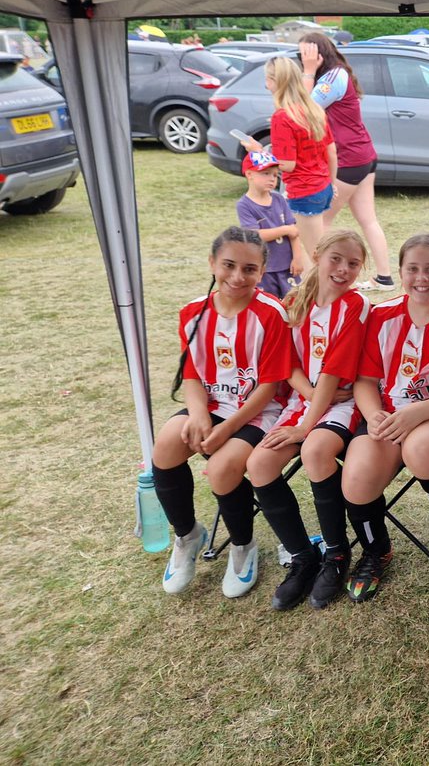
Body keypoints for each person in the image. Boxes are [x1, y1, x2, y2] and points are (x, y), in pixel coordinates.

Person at [151, 226, 292, 598]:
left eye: (249, 269)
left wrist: (227, 428)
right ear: (212, 263)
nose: (237, 276)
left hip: (257, 411)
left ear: (262, 272)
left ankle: (243, 546)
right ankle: (187, 536)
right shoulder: (193, 313)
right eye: (228, 265)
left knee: (223, 466)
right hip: (211, 405)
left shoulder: (271, 314)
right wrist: (198, 416)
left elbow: (269, 387)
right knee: (165, 446)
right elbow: (192, 373)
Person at [340, 234, 429, 603]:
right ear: (400, 272)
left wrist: (413, 414)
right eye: (412, 268)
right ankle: (376, 550)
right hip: (386, 413)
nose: (422, 277)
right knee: (356, 478)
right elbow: (365, 382)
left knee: (422, 452)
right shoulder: (381, 316)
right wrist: (375, 416)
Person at [245, 230, 370, 611]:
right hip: (307, 399)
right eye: (336, 258)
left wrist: (306, 423)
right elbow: (289, 365)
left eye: (353, 263)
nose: (343, 268)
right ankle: (302, 557)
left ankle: (336, 554)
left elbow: (333, 371)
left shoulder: (356, 305)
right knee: (259, 464)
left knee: (316, 449)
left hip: (344, 404)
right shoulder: (296, 301)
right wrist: (311, 400)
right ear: (317, 254)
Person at [298, 33, 395, 292]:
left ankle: (312, 278)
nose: (302, 59)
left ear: (319, 54)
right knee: (367, 219)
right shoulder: (335, 75)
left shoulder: (333, 77)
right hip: (361, 154)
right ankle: (384, 278)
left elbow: (305, 108)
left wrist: (308, 72)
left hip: (350, 157)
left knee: (320, 219)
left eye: (305, 54)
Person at [265, 56, 337, 259]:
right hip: (322, 186)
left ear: (276, 82)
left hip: (303, 191)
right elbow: (331, 151)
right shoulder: (314, 109)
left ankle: (324, 290)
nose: (266, 85)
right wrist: (332, 182)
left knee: (316, 256)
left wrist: (259, 153)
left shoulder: (282, 117)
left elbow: (287, 164)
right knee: (317, 249)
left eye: (268, 80)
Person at [236, 149, 306, 299]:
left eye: (275, 175)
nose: (272, 179)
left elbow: (294, 232)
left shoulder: (279, 199)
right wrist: (285, 229)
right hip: (264, 269)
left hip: (288, 267)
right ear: (249, 174)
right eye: (265, 173)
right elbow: (255, 235)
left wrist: (297, 257)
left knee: (294, 302)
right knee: (268, 305)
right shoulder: (244, 205)